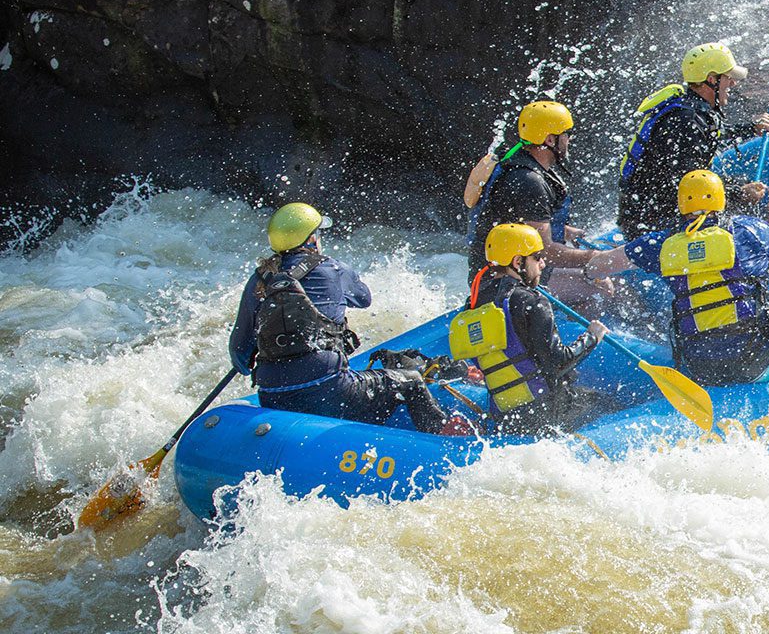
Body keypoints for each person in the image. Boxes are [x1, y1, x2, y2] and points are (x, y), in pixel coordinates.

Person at [228, 202, 450, 433]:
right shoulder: (332, 269)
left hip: (273, 396)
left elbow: (240, 357)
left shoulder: (258, 281)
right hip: (330, 392)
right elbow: (364, 298)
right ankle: (445, 441)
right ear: (312, 239)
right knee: (411, 380)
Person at [588, 170, 769, 385]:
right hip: (757, 361)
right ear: (721, 201)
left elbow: (599, 265)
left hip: (699, 368)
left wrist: (591, 276)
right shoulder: (750, 230)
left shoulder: (661, 244)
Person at [451, 223, 613, 435]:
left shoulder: (472, 304)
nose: (543, 263)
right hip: (547, 411)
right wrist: (592, 337)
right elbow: (558, 362)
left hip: (505, 416)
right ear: (518, 262)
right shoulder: (532, 301)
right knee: (607, 404)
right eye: (537, 257)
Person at [616, 42, 769, 239]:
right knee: (741, 217)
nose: (733, 83)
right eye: (728, 78)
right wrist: (739, 194)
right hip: (653, 222)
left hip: (654, 208)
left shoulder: (691, 108)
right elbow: (688, 185)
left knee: (741, 188)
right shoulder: (685, 119)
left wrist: (752, 129)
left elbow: (712, 134)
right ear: (712, 79)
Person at [465, 100, 604, 288]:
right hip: (502, 285)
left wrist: (565, 231)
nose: (568, 140)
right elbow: (547, 252)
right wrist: (596, 257)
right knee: (604, 285)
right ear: (549, 140)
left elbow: (519, 221)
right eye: (566, 134)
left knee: (597, 276)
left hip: (506, 274)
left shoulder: (518, 163)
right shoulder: (529, 181)